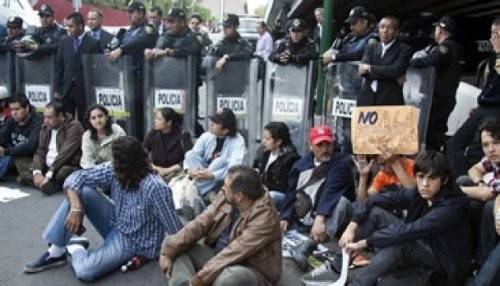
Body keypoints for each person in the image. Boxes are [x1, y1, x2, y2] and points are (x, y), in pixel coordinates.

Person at [23, 136, 182, 281]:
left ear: (127, 166)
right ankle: (56, 251)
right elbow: (75, 178)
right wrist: (76, 209)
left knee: (85, 271)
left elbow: (175, 230)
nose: (112, 165)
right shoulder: (115, 169)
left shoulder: (156, 188)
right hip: (117, 221)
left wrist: (170, 255)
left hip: (134, 242)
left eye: (116, 162)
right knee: (81, 191)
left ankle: (75, 247)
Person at [337, 151, 470, 286]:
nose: (425, 184)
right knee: (375, 213)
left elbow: (409, 231)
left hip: (441, 265)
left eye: (432, 178)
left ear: (445, 180)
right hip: (419, 246)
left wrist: (366, 242)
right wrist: (352, 225)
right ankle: (339, 266)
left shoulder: (451, 207)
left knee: (399, 246)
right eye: (421, 177)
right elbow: (373, 200)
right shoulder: (419, 193)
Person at [159, 165, 282, 286]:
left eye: (226, 186)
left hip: (249, 267)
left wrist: (198, 281)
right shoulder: (227, 195)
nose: (223, 188)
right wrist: (168, 252)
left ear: (239, 196)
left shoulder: (265, 217)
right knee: (176, 246)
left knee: (228, 279)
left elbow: (235, 251)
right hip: (219, 254)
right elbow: (201, 222)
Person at [280, 125, 355, 270]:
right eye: (320, 145)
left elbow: (331, 192)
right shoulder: (300, 164)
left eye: (328, 144)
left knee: (342, 202)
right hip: (307, 212)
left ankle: (309, 245)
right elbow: (291, 192)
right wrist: (285, 216)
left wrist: (320, 220)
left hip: (334, 216)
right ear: (311, 145)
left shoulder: (341, 164)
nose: (325, 149)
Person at [447, 16, 500, 179]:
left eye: (498, 34)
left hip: (496, 111)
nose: (494, 39)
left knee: (482, 150)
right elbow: (491, 86)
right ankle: (463, 183)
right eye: (492, 34)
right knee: (454, 145)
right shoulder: (492, 58)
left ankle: (484, 189)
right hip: (483, 108)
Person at [106, 1, 157, 140]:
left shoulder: (148, 29)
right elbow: (114, 45)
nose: (128, 15)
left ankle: (138, 144)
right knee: (124, 112)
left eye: (131, 12)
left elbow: (138, 43)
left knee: (138, 113)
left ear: (141, 13)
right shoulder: (127, 32)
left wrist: (121, 50)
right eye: (127, 12)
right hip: (124, 77)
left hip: (140, 78)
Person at [410, 15, 462, 151]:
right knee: (436, 133)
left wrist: (413, 62)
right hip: (446, 98)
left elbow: (431, 60)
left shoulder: (446, 48)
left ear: (439, 31)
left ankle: (434, 163)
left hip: (438, 100)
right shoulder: (456, 47)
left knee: (431, 135)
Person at [183, 107, 246, 204]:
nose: (211, 124)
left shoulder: (238, 141)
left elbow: (233, 170)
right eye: (212, 121)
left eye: (215, 123)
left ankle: (198, 195)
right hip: (202, 175)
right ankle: (206, 193)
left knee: (219, 161)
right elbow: (193, 157)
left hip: (220, 181)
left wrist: (213, 175)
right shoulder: (207, 135)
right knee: (190, 154)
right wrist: (190, 171)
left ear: (225, 130)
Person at [19, 101, 84, 195]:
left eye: (49, 117)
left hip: (63, 165)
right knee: (20, 161)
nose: (45, 120)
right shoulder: (45, 127)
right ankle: (45, 183)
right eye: (44, 117)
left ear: (60, 116)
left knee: (64, 172)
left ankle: (41, 182)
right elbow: (40, 150)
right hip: (46, 166)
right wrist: (37, 172)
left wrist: (49, 173)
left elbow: (65, 154)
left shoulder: (74, 127)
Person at [54, 12, 102, 122]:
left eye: (71, 26)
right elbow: (59, 66)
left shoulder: (93, 43)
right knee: (66, 119)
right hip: (67, 88)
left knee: (84, 118)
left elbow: (98, 68)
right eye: (67, 26)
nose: (68, 29)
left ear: (80, 26)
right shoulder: (64, 41)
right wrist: (57, 87)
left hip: (84, 88)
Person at [357, 15, 411, 106]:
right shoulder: (371, 47)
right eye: (382, 27)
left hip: (389, 100)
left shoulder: (404, 49)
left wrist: (370, 68)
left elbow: (395, 71)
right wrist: (389, 75)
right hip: (366, 98)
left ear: (396, 32)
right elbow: (362, 71)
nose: (385, 31)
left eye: (389, 28)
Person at [252, 122, 300, 209]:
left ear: (278, 141)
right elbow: (255, 168)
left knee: (271, 196)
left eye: (267, 139)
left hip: (279, 195)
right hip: (262, 189)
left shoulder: (290, 159)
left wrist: (261, 187)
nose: (263, 142)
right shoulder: (263, 152)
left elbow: (284, 187)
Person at [143, 107, 193, 182]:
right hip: (156, 173)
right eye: (155, 118)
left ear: (169, 122)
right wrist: (151, 166)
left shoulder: (183, 136)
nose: (155, 121)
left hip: (176, 175)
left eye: (159, 119)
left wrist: (166, 170)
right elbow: (142, 151)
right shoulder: (154, 133)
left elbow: (189, 159)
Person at [0, 94, 42, 179]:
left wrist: (5, 151)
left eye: (17, 109)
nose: (14, 113)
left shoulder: (37, 121)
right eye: (11, 109)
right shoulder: (11, 120)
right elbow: (2, 137)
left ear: (27, 108)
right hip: (12, 151)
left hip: (29, 156)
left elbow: (31, 146)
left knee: (12, 156)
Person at [80, 104, 126, 169]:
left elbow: (123, 155)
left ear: (106, 117)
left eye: (100, 116)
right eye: (93, 118)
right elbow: (88, 161)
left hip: (115, 169)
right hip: (93, 171)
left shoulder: (117, 131)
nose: (98, 120)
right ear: (89, 121)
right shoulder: (87, 136)